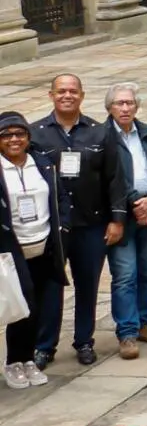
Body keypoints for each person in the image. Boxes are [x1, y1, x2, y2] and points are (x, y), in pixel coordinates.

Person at [30, 73, 127, 367]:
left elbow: (115, 179)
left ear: (82, 96)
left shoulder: (100, 132)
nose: (67, 96)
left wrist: (117, 220)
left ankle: (84, 341)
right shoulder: (36, 134)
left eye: (73, 91)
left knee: (88, 285)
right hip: (53, 228)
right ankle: (45, 345)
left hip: (91, 224)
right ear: (51, 95)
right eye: (61, 91)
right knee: (49, 287)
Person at [105, 83, 147, 359]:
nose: (125, 108)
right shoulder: (101, 137)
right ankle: (127, 333)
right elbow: (112, 179)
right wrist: (136, 203)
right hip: (121, 215)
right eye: (120, 103)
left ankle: (144, 321)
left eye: (130, 103)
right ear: (109, 107)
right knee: (124, 275)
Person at [0, 111, 60, 389]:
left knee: (41, 307)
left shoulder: (42, 162)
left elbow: (59, 197)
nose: (14, 139)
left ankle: (28, 360)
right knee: (23, 306)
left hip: (44, 243)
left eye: (19, 134)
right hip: (13, 249)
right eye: (7, 135)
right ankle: (13, 361)